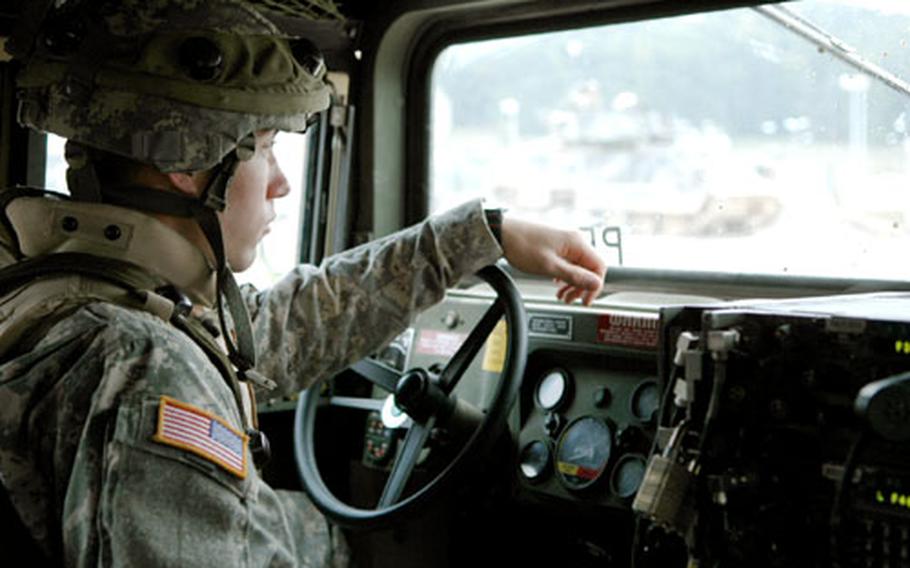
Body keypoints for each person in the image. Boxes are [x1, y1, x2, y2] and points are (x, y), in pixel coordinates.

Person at [0, 1, 607, 566]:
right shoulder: (140, 363)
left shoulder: (65, 290)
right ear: (187, 163)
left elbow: (273, 329)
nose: (283, 184)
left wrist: (479, 236)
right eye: (265, 148)